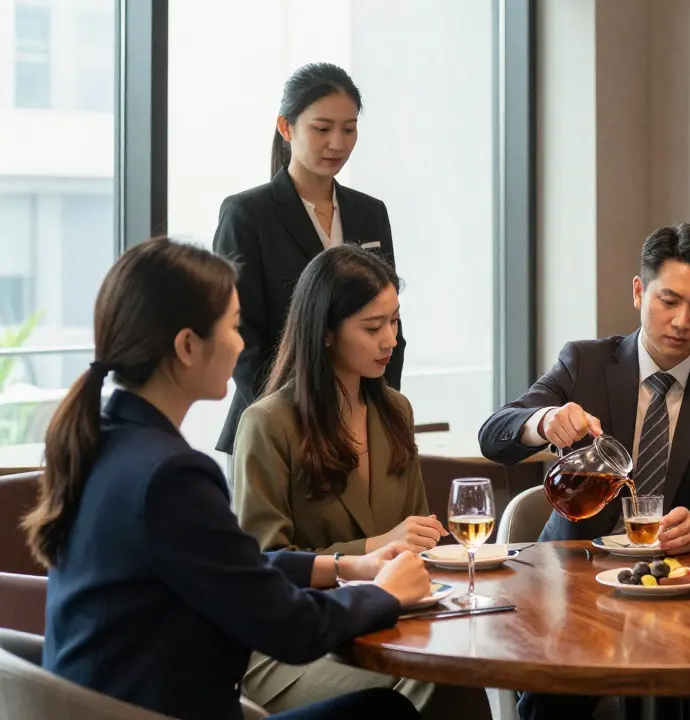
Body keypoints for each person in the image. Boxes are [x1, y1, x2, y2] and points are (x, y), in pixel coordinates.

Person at [25, 237, 431, 720]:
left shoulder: (106, 442)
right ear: (188, 346)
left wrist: (346, 568)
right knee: (386, 712)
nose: (242, 344)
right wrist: (383, 594)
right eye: (234, 326)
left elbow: (231, 566)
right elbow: (288, 625)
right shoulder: (172, 476)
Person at [478, 223, 690, 720]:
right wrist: (544, 420)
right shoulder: (585, 364)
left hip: (682, 578)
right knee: (555, 694)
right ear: (639, 292)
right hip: (576, 578)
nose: (682, 321)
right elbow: (494, 435)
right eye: (668, 300)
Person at [232, 245, 490, 717]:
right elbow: (262, 564)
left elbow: (415, 536)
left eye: (394, 321)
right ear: (326, 332)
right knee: (429, 683)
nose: (389, 340)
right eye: (372, 327)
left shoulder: (394, 411)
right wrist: (374, 546)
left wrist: (423, 544)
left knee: (462, 673)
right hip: (292, 645)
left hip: (389, 622)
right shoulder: (269, 423)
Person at [213, 62, 406, 463]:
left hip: (360, 424)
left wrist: (379, 412)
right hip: (276, 428)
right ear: (286, 127)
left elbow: (389, 318)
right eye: (322, 129)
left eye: (349, 128)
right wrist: (292, 415)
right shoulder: (247, 214)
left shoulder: (370, 212)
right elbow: (240, 337)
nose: (337, 142)